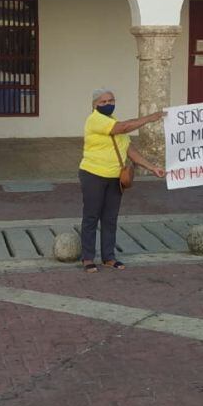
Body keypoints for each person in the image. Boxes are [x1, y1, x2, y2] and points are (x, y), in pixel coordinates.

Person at [78, 88, 165, 273]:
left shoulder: (112, 120)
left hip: (115, 177)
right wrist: (149, 118)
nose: (108, 104)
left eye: (111, 100)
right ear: (95, 105)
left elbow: (129, 150)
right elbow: (123, 128)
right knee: (91, 216)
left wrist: (152, 167)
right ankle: (87, 257)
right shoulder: (95, 120)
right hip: (93, 174)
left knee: (110, 218)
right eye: (104, 102)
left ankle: (109, 257)